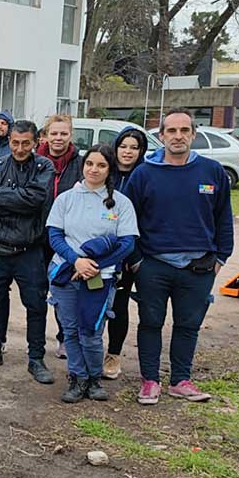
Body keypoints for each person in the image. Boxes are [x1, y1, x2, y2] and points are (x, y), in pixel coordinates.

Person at [124, 108, 233, 405]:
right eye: (171, 131)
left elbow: (224, 217)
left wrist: (221, 257)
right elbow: (127, 220)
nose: (178, 136)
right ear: (161, 136)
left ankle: (180, 380)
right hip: (153, 264)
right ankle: (149, 381)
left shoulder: (212, 172)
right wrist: (136, 260)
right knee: (150, 322)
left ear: (193, 135)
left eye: (184, 130)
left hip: (198, 267)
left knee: (188, 325)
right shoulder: (143, 174)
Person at [46, 144, 139, 403]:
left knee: (92, 331)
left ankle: (95, 378)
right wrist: (77, 261)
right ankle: (77, 378)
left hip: (101, 278)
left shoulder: (121, 203)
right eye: (89, 164)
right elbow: (54, 235)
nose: (93, 169)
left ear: (109, 170)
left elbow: (127, 243)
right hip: (67, 273)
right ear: (83, 165)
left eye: (101, 165)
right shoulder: (66, 198)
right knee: (71, 329)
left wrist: (93, 266)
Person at [0, 120, 56, 384]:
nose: (19, 148)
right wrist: (12, 198)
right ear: (9, 141)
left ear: (35, 143)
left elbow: (37, 200)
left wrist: (1, 196)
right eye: (15, 143)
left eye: (25, 144)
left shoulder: (44, 167)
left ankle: (36, 358)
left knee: (35, 304)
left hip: (29, 249)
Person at [37, 114, 83, 359]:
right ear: (45, 135)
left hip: (67, 240)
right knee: (37, 292)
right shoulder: (34, 161)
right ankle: (35, 341)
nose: (58, 138)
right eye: (53, 133)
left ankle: (65, 338)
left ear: (70, 135)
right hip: (36, 237)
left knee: (64, 291)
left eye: (63, 133)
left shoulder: (81, 163)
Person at [104, 127, 147, 379]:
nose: (127, 152)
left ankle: (114, 353)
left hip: (130, 254)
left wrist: (133, 254)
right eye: (123, 146)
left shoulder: (144, 176)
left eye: (134, 147)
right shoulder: (105, 172)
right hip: (102, 250)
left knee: (119, 305)